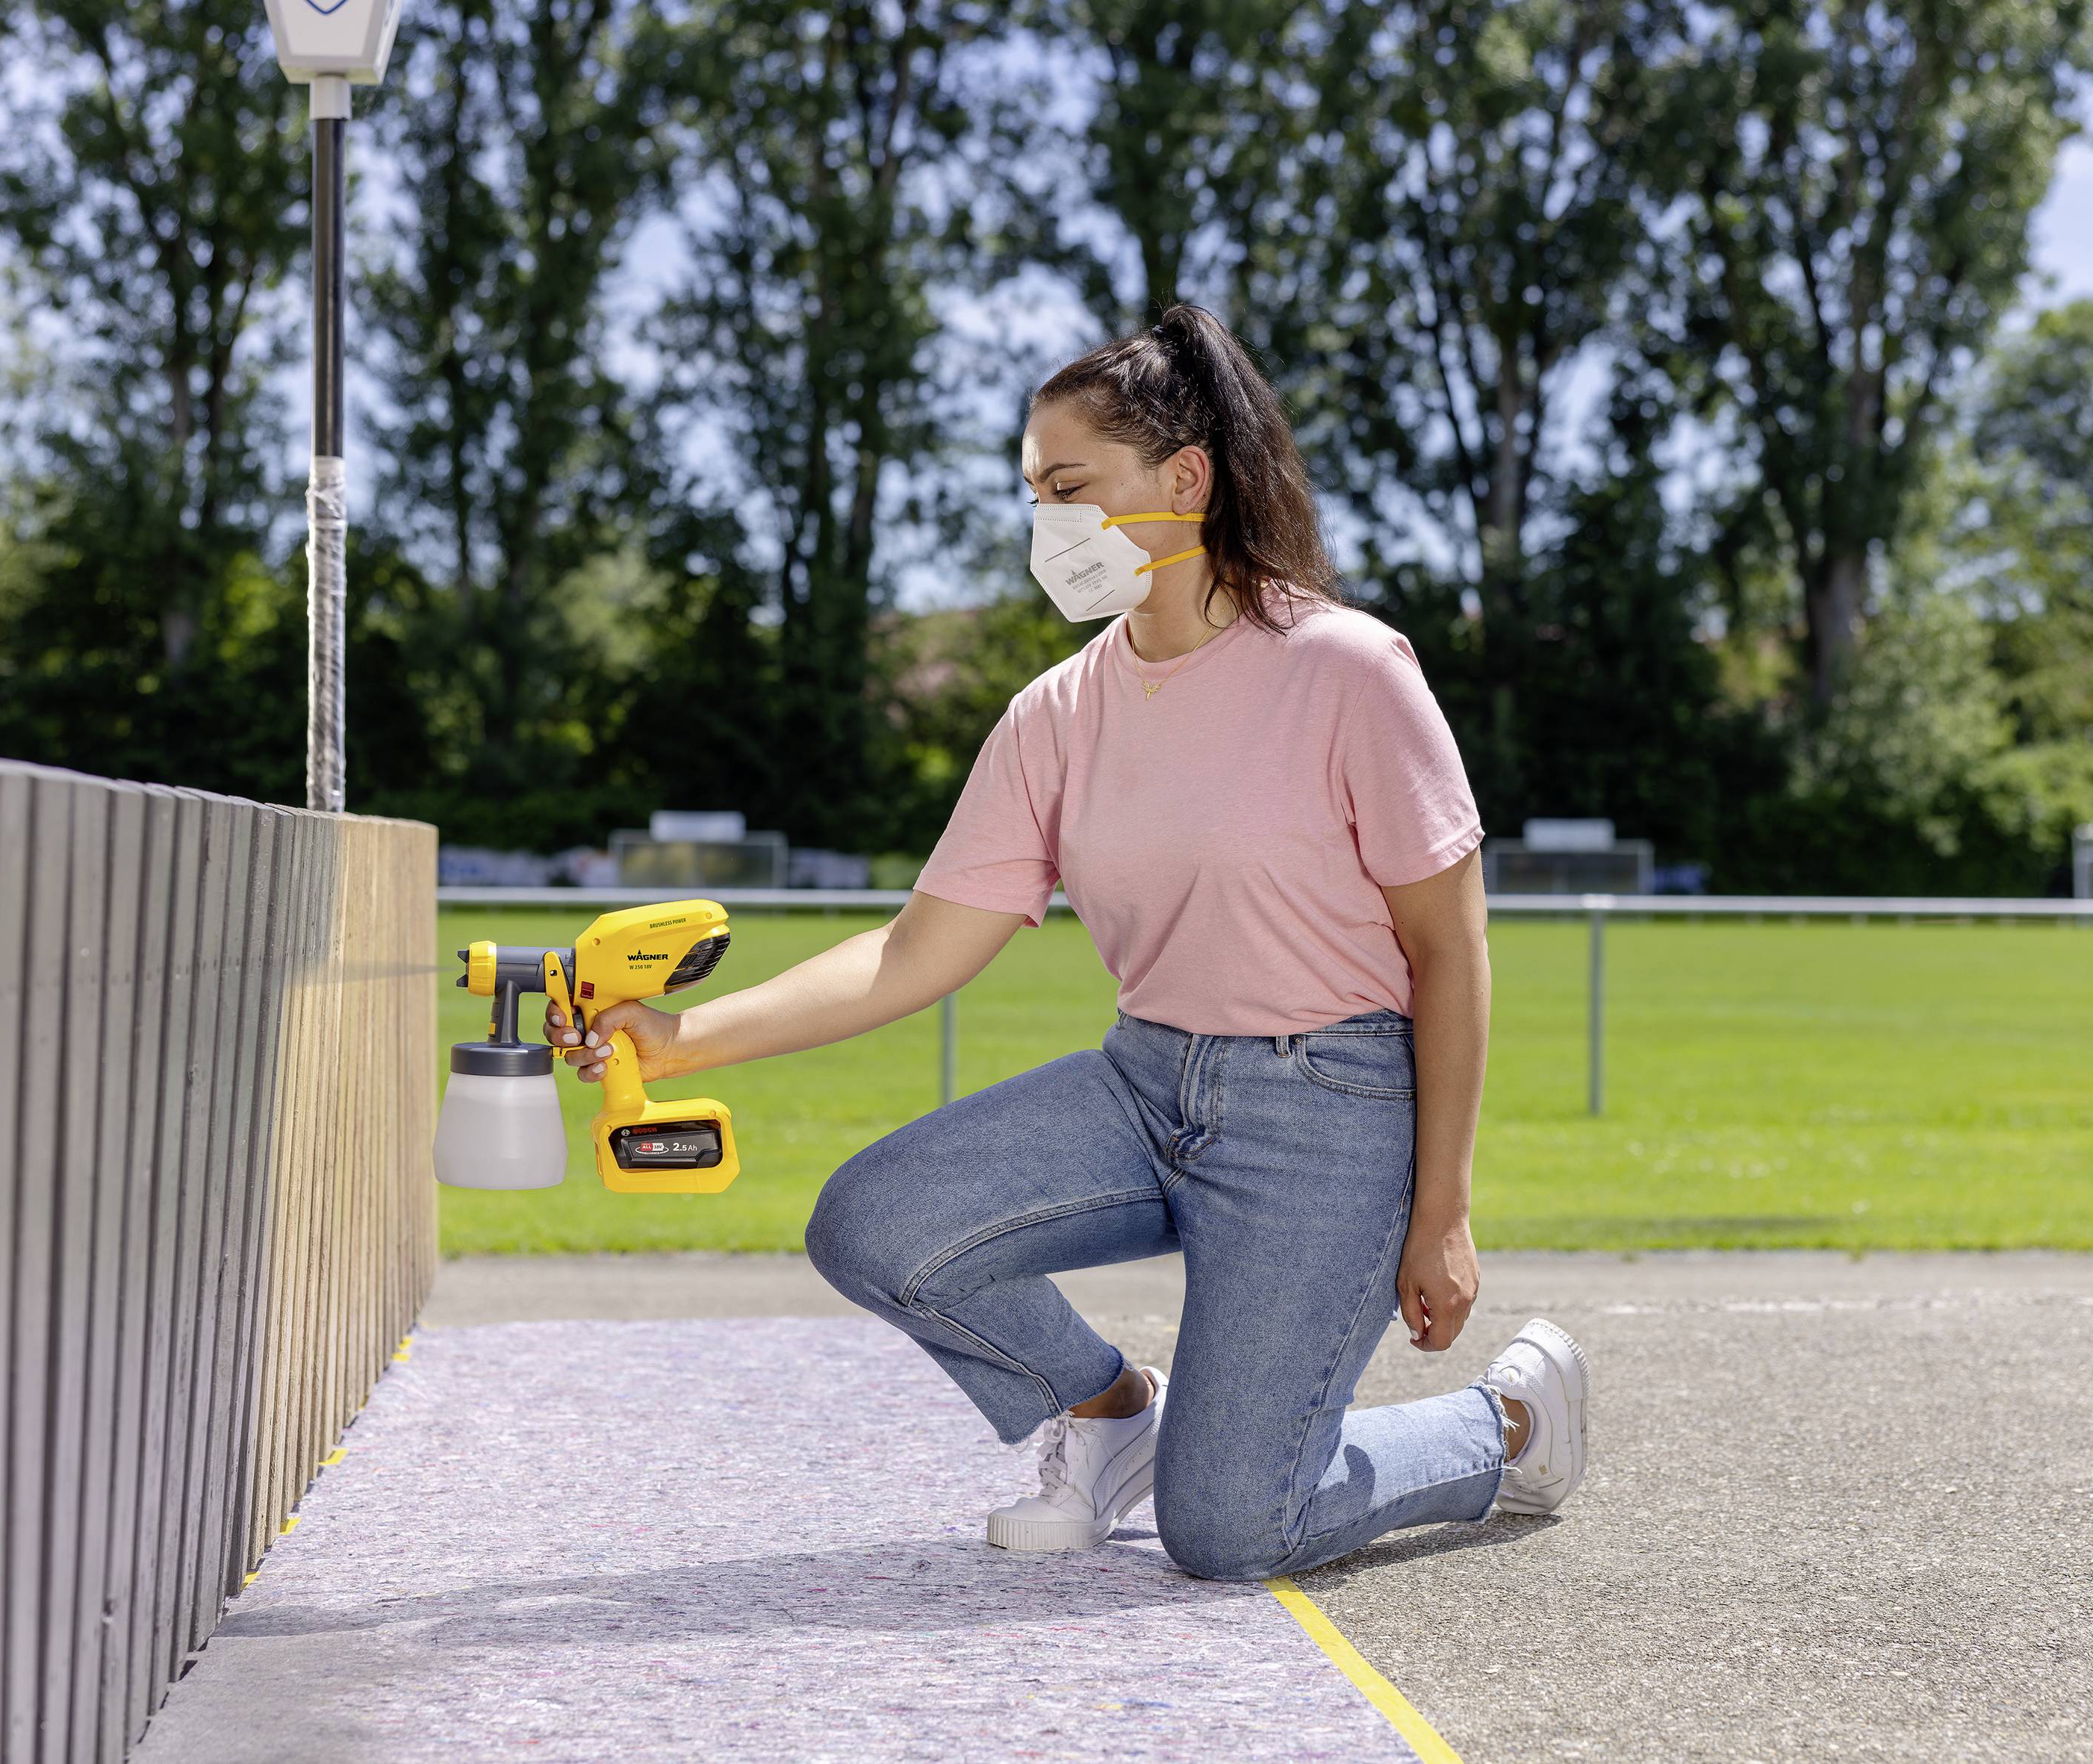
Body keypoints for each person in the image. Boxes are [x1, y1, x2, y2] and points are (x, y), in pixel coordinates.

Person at [547, 304, 1590, 1581]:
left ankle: (1513, 1422)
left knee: (1228, 1531)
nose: (1047, 521)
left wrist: (1445, 1210)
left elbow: (1452, 948)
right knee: (874, 1224)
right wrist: (681, 1034)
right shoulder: (1055, 713)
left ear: (1186, 481)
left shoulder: (1349, 671)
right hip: (1149, 1082)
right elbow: (915, 951)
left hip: (1334, 1110)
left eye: (1069, 485)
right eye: (1035, 491)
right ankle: (1108, 1415)